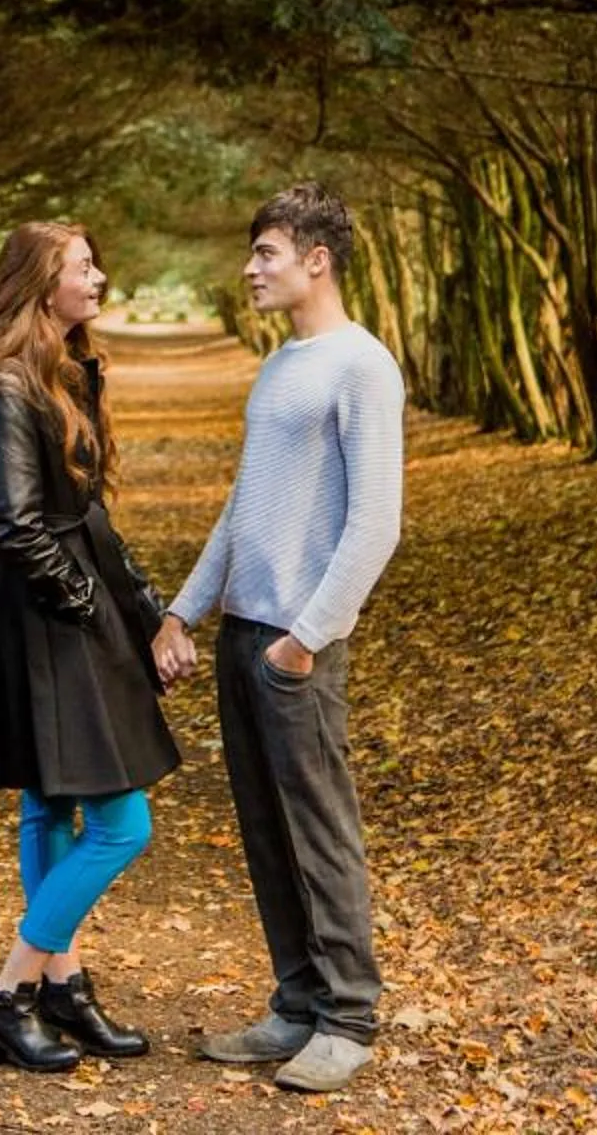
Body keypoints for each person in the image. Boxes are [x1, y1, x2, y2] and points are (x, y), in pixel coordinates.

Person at [153, 181, 404, 1094]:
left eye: (265, 253)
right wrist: (184, 609)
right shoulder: (278, 367)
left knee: (320, 829)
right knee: (265, 830)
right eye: (253, 253)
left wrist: (306, 639)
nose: (250, 269)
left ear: (316, 260)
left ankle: (348, 1017)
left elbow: (377, 524)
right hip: (245, 634)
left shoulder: (361, 366)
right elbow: (243, 510)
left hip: (295, 642)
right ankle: (296, 1005)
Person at [0, 221, 192, 1072]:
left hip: (66, 599)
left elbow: (90, 514)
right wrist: (92, 611)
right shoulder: (7, 387)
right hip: (46, 612)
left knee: (53, 807)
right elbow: (21, 527)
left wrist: (148, 606)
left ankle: (65, 986)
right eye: (81, 266)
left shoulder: (64, 373)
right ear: (39, 283)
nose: (97, 276)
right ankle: (11, 992)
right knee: (121, 822)